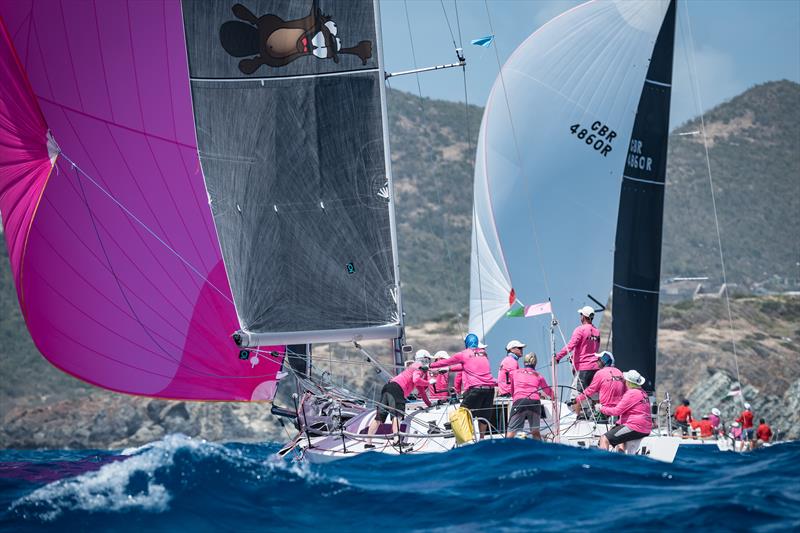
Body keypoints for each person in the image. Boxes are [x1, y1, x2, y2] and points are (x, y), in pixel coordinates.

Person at [431, 333, 497, 438]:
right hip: (490, 389)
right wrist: (450, 369)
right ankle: (482, 439)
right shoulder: (484, 354)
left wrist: (429, 365)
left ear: (466, 343)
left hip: (476, 390)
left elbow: (446, 362)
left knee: (462, 414)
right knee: (484, 415)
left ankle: (467, 440)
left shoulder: (463, 354)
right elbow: (466, 366)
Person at [365, 349, 431, 448]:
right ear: (425, 359)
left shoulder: (412, 367)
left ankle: (368, 443)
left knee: (379, 417)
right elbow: (416, 380)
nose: (430, 362)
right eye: (429, 359)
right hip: (397, 389)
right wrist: (429, 382)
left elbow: (420, 389)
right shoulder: (419, 366)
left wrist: (429, 404)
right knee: (397, 415)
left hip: (388, 386)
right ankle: (397, 441)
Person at [597, 370, 652, 451]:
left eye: (625, 380)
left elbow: (616, 411)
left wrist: (601, 408)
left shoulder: (632, 393)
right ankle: (621, 459)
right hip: (645, 428)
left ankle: (602, 462)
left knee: (604, 439)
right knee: (619, 437)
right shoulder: (643, 393)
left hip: (635, 427)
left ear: (629, 383)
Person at [555, 306, 601, 403]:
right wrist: (573, 357)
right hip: (595, 367)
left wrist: (558, 357)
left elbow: (571, 345)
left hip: (583, 368)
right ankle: (600, 415)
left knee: (576, 396)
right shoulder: (597, 331)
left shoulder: (580, 329)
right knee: (594, 394)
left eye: (581, 314)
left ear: (583, 317)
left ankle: (580, 416)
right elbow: (592, 349)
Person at [506, 353, 553, 440]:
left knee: (511, 433)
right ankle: (539, 451)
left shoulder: (514, 373)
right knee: (535, 432)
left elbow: (512, 390)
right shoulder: (539, 375)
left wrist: (516, 399)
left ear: (524, 362)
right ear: (535, 363)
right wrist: (554, 396)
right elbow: (547, 391)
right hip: (535, 402)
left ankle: (507, 451)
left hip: (520, 401)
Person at [572, 351, 625, 417]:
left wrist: (577, 398)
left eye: (598, 360)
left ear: (603, 361)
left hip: (605, 410)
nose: (596, 362)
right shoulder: (619, 372)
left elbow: (590, 390)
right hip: (619, 410)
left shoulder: (600, 373)